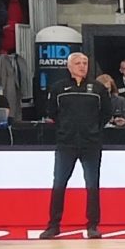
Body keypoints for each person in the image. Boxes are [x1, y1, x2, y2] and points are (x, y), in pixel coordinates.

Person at [39, 49, 111, 238]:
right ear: (69, 66)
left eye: (85, 63)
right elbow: (52, 112)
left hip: (91, 144)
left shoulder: (98, 88)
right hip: (66, 144)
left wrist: (93, 129)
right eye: (78, 63)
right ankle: (54, 225)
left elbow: (106, 113)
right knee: (59, 183)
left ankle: (93, 226)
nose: (82, 66)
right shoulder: (58, 88)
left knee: (92, 184)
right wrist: (65, 129)